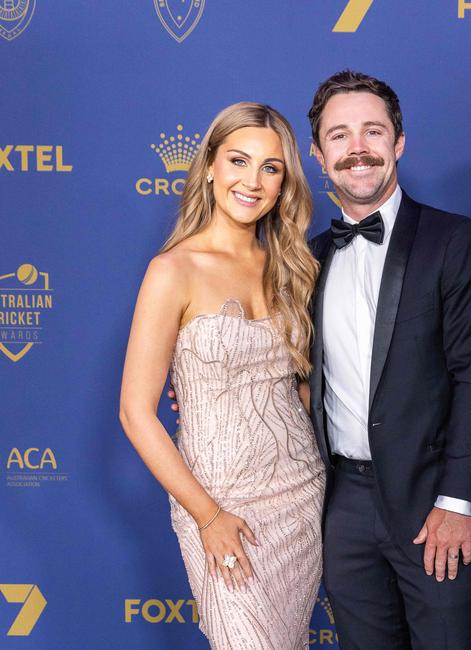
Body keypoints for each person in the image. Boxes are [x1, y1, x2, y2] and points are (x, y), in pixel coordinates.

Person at [307, 71, 471, 649]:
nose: (358, 149)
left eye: (373, 131)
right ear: (319, 155)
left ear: (399, 143)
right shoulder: (307, 260)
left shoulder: (455, 241)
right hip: (341, 506)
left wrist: (458, 500)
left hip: (435, 501)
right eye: (339, 136)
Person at [119, 102, 325, 650]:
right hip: (218, 499)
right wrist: (208, 517)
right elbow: (136, 413)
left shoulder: (292, 265)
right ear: (209, 166)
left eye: (270, 167)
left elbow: (302, 391)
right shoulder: (172, 271)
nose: (251, 181)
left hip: (300, 496)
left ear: (284, 184)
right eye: (238, 160)